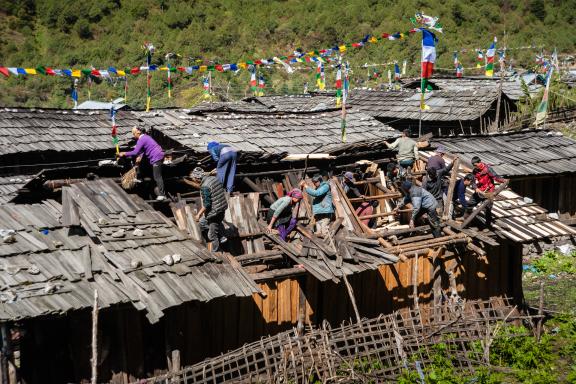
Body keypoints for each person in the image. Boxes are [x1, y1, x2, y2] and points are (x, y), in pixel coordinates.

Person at [119, 126, 166, 200]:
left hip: (156, 157)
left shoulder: (142, 139)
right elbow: (142, 150)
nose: (134, 136)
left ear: (138, 132)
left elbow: (135, 152)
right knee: (154, 175)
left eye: (134, 134)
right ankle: (140, 177)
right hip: (157, 156)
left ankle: (162, 195)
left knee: (157, 176)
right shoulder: (146, 138)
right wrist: (139, 157)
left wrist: (124, 153)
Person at [191, 167, 228, 252]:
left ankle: (215, 252)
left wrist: (198, 214)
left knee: (211, 235)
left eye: (194, 179)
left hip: (215, 212)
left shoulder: (204, 186)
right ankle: (221, 235)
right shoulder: (214, 178)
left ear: (197, 178)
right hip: (221, 208)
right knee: (202, 223)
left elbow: (207, 204)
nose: (194, 180)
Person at [469, 156, 506, 227]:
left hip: (488, 191)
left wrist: (503, 180)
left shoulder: (488, 169)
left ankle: (487, 226)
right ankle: (466, 218)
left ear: (480, 163)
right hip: (480, 190)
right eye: (474, 166)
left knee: (487, 209)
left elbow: (496, 177)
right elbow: (472, 180)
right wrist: (475, 187)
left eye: (476, 165)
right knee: (470, 203)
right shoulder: (475, 171)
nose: (475, 167)